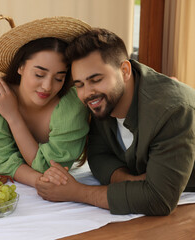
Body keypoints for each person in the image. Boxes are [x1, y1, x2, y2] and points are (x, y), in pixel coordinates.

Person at [36, 28, 195, 216]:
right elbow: (98, 155)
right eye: (79, 85)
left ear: (125, 71)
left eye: (96, 79)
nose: (87, 93)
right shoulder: (105, 102)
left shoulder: (174, 112)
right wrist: (130, 181)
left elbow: (158, 199)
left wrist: (77, 192)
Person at [0, 17, 90, 187]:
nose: (47, 87)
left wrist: (13, 117)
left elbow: (50, 167)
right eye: (39, 74)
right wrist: (38, 181)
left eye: (59, 78)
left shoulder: (71, 106)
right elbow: (2, 161)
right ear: (20, 67)